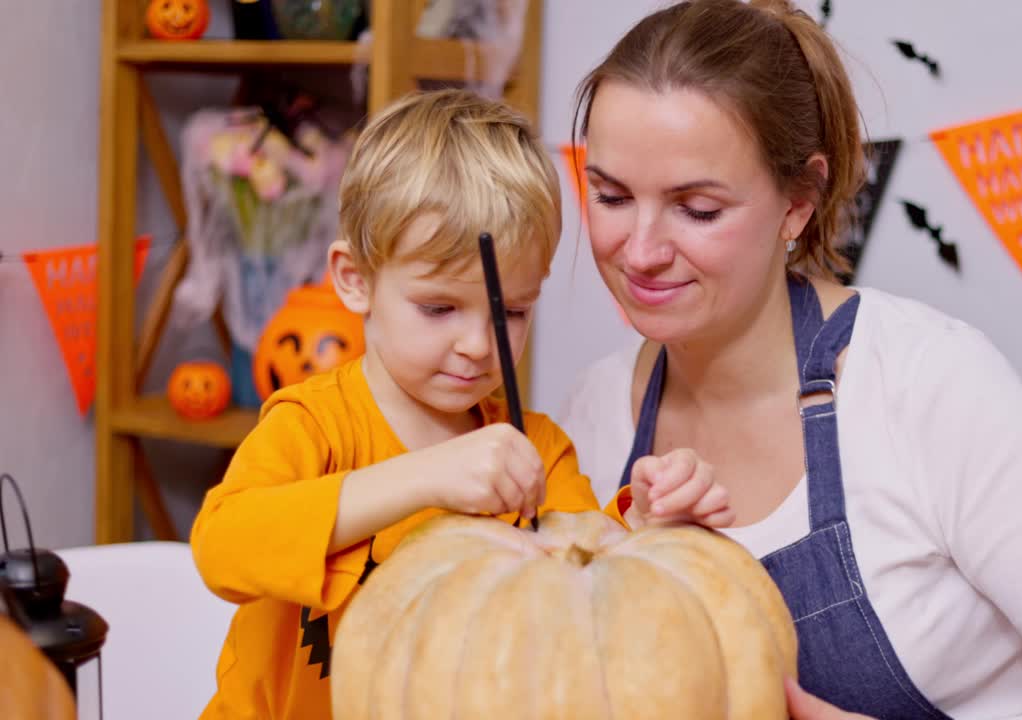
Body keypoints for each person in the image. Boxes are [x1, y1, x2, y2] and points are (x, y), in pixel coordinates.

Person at [558, 1, 1022, 718]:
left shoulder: (923, 382)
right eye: (609, 196)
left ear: (799, 200)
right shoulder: (593, 415)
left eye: (697, 208)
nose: (639, 251)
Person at [190, 89, 730, 720]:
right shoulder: (314, 426)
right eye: (439, 307)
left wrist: (653, 528)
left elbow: (589, 601)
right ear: (354, 280)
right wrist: (424, 477)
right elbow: (221, 549)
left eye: (511, 311)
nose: (478, 345)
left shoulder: (536, 452)